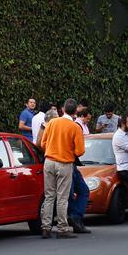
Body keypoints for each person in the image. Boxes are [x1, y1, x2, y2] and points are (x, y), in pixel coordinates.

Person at [39, 98, 86, 238]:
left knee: (49, 196)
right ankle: (62, 228)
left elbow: (43, 143)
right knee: (62, 198)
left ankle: (46, 227)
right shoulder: (75, 127)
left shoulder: (52, 122)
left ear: (63, 109)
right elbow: (80, 151)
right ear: (75, 112)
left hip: (49, 162)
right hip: (64, 163)